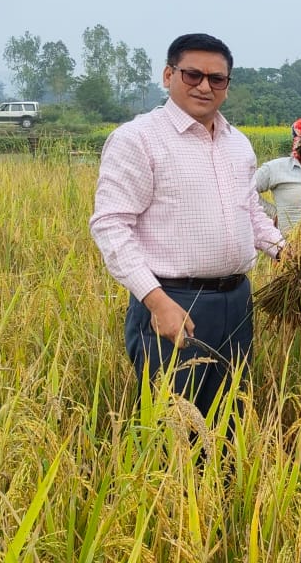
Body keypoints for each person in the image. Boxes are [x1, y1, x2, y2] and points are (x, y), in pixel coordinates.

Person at [90, 33, 285, 418]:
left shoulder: (237, 144)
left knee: (230, 420)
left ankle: (224, 480)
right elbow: (111, 225)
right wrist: (156, 301)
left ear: (227, 86)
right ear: (168, 75)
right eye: (192, 75)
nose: (204, 86)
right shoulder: (138, 138)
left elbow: (250, 210)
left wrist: (283, 248)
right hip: (174, 302)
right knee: (173, 425)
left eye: (217, 79)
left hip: (237, 301)